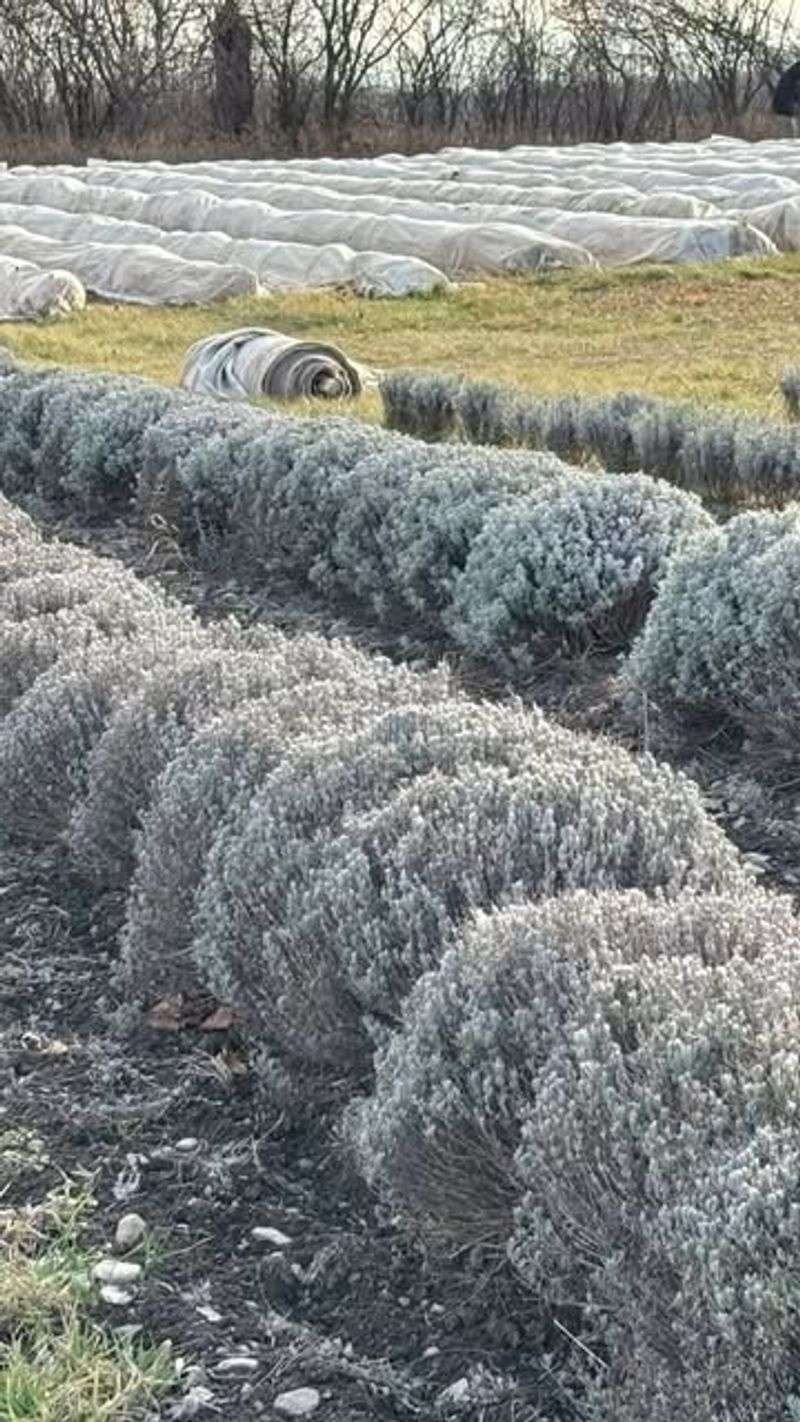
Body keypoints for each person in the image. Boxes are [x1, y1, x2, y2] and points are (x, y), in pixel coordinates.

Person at [772, 61, 800, 135]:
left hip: (782, 108)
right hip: (785, 110)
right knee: (788, 138)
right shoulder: (794, 73)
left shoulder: (792, 72)